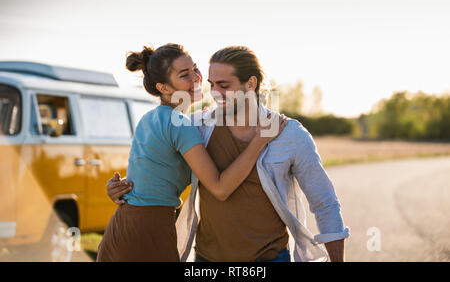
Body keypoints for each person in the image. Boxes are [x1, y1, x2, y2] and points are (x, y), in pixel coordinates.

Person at [108, 46, 350, 262]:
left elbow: (325, 203)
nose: (214, 93)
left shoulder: (290, 134)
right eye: (212, 85)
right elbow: (154, 166)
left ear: (251, 84)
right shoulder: (195, 126)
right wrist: (123, 189)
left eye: (224, 86)